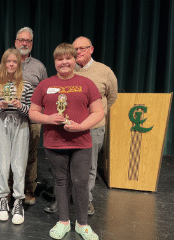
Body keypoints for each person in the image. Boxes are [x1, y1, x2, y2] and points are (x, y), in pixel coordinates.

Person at [29, 43, 104, 240]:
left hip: (81, 142)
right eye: (60, 59)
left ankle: (82, 224)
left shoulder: (87, 84)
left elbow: (98, 112)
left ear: (74, 60)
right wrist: (49, 118)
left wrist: (80, 127)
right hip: (55, 143)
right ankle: (63, 221)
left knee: (80, 183)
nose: (64, 62)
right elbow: (33, 112)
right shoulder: (45, 85)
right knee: (61, 182)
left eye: (68, 58)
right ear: (55, 62)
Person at [0, 48, 34, 224]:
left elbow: (31, 112)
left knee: (19, 164)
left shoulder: (26, 85)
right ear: (3, 63)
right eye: (8, 61)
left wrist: (20, 105)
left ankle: (18, 201)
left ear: (19, 64)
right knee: (2, 163)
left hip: (20, 125)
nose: (11, 64)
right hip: (1, 123)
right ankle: (2, 199)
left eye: (14, 62)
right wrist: (1, 105)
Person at [73, 36, 118, 215]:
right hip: (71, 127)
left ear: (91, 49)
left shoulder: (104, 71)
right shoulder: (68, 70)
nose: (78, 52)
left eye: (82, 48)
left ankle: (86, 200)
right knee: (69, 164)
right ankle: (65, 196)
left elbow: (112, 96)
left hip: (94, 128)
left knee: (90, 166)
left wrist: (99, 115)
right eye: (75, 49)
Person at [13, 27, 48, 206]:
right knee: (11, 155)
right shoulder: (6, 63)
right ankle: (11, 189)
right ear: (15, 42)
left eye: (27, 40)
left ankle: (28, 190)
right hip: (11, 119)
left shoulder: (39, 67)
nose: (24, 43)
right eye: (21, 40)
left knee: (30, 156)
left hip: (32, 119)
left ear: (32, 44)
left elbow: (46, 94)